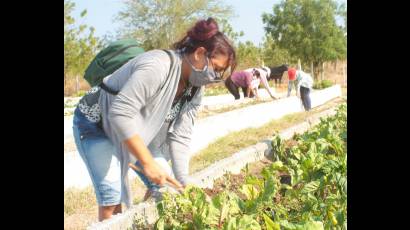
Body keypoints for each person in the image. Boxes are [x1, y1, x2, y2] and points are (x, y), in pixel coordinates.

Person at [72, 17, 236, 221]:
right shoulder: (158, 66)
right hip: (96, 123)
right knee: (111, 195)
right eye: (217, 68)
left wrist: (184, 180)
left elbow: (181, 136)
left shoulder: (195, 88)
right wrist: (147, 162)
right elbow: (120, 112)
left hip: (136, 127)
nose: (217, 76)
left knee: (168, 188)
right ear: (200, 53)